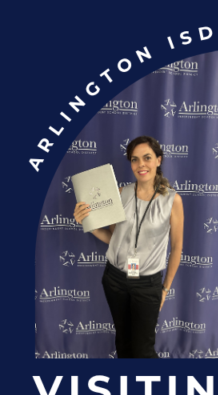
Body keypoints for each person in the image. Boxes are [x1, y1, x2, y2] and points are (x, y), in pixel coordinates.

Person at [73, 135, 184, 358]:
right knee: (123, 342)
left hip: (147, 284)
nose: (141, 164)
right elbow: (113, 237)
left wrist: (165, 288)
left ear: (158, 160)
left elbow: (177, 247)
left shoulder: (172, 200)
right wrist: (88, 223)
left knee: (143, 350)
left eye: (147, 158)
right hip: (115, 279)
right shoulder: (121, 193)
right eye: (135, 159)